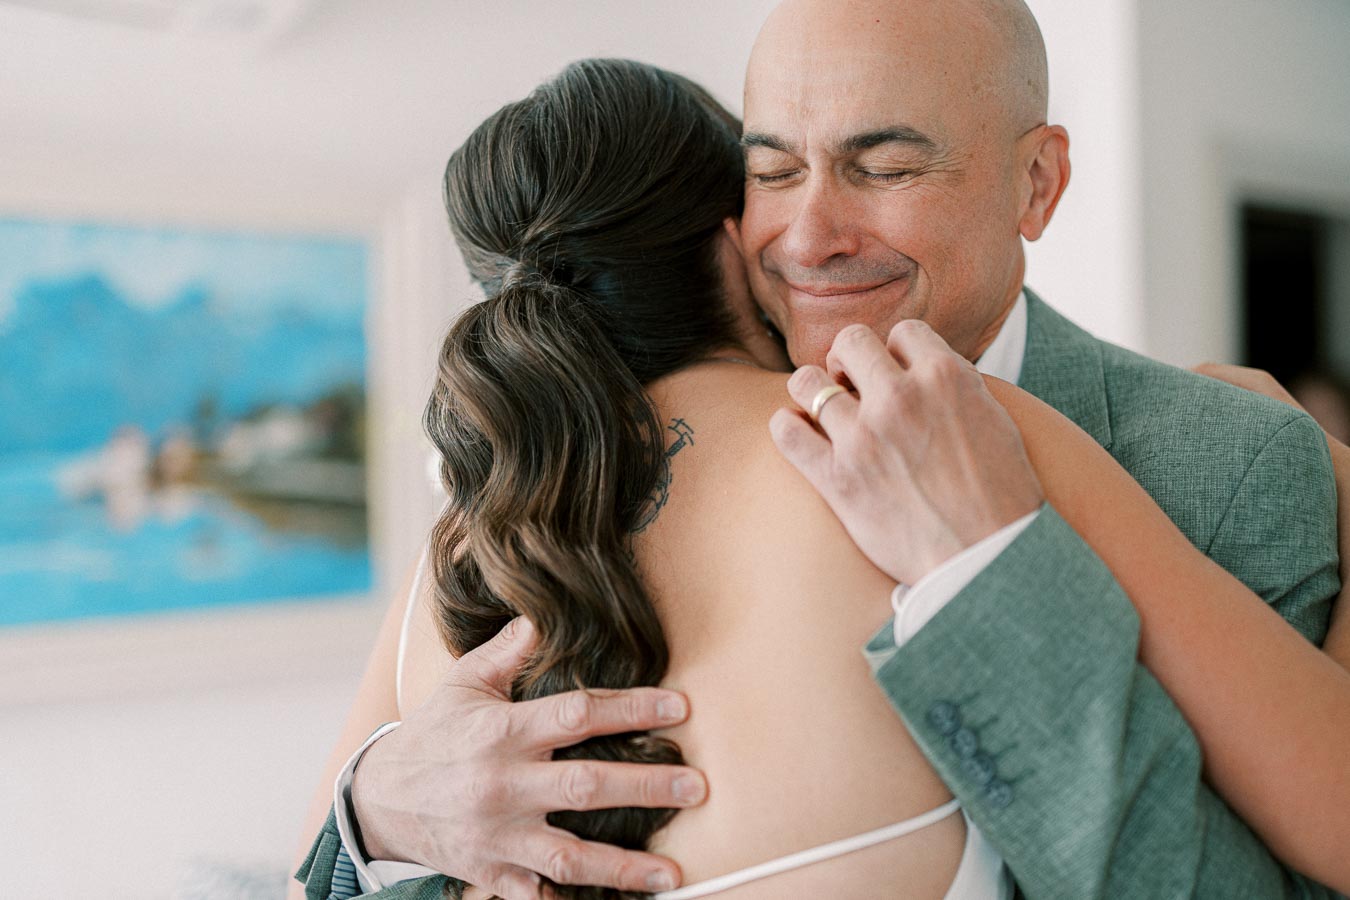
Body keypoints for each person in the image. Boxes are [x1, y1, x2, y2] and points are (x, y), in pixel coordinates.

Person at [291, 1, 1347, 897]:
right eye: (773, 170)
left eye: (884, 166)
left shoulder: (1234, 461)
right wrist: (377, 808)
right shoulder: (510, 520)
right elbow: (316, 863)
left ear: (1037, 183)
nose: (808, 237)